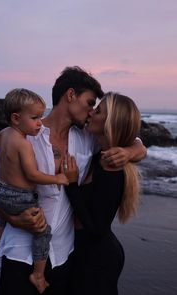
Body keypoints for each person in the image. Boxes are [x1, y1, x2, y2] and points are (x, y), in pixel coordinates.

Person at [0, 66, 146, 295]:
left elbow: (128, 134)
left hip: (64, 258)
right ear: (70, 95)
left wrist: (132, 151)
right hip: (20, 253)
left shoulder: (88, 139)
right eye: (89, 103)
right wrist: (11, 217)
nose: (91, 112)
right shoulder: (22, 136)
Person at [0, 88, 68, 294]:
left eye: (41, 117)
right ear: (16, 118)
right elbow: (33, 176)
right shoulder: (24, 144)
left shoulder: (5, 134)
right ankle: (38, 274)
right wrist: (57, 178)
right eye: (34, 118)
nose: (40, 123)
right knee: (43, 233)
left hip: (0, 191)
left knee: (6, 209)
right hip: (20, 197)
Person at [62, 92, 141, 295]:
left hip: (97, 259)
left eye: (97, 111)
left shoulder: (111, 166)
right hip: (85, 253)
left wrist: (71, 184)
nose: (91, 113)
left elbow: (96, 227)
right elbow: (138, 143)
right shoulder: (100, 154)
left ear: (109, 122)